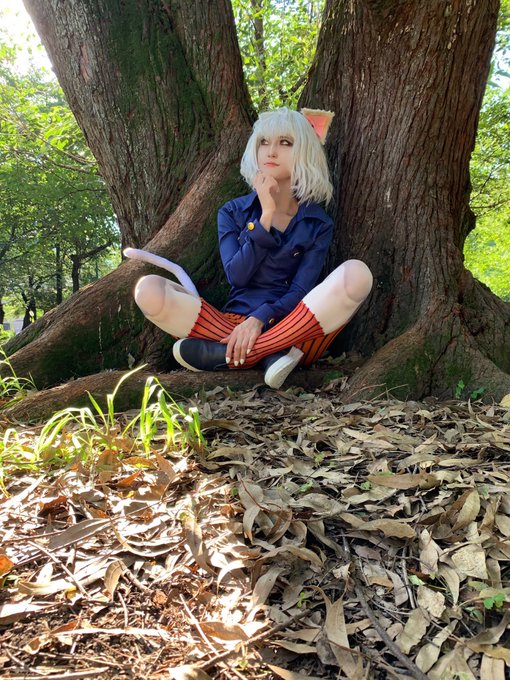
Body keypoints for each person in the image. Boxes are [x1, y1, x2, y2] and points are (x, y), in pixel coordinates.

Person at [131, 107, 373, 389]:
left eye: (285, 143)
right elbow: (238, 276)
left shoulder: (317, 222)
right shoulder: (232, 212)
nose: (271, 151)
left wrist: (261, 318)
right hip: (231, 323)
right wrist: (265, 216)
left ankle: (240, 354)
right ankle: (271, 355)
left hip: (296, 326)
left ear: (305, 152)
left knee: (357, 274)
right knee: (149, 290)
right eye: (264, 142)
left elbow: (300, 290)